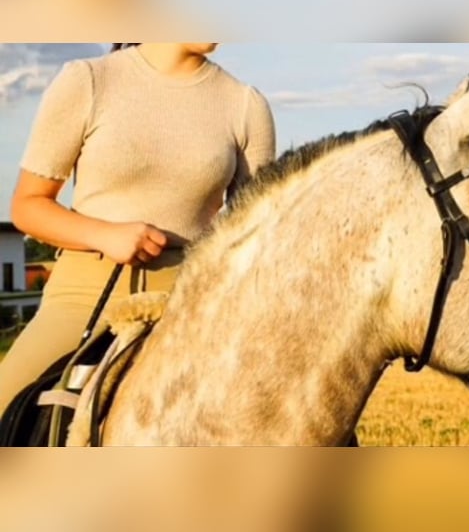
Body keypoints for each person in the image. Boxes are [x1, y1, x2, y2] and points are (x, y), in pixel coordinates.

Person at [0, 43, 276, 415]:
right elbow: (28, 206)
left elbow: (254, 235)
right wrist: (104, 234)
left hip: (192, 303)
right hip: (83, 298)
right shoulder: (89, 80)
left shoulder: (246, 105)